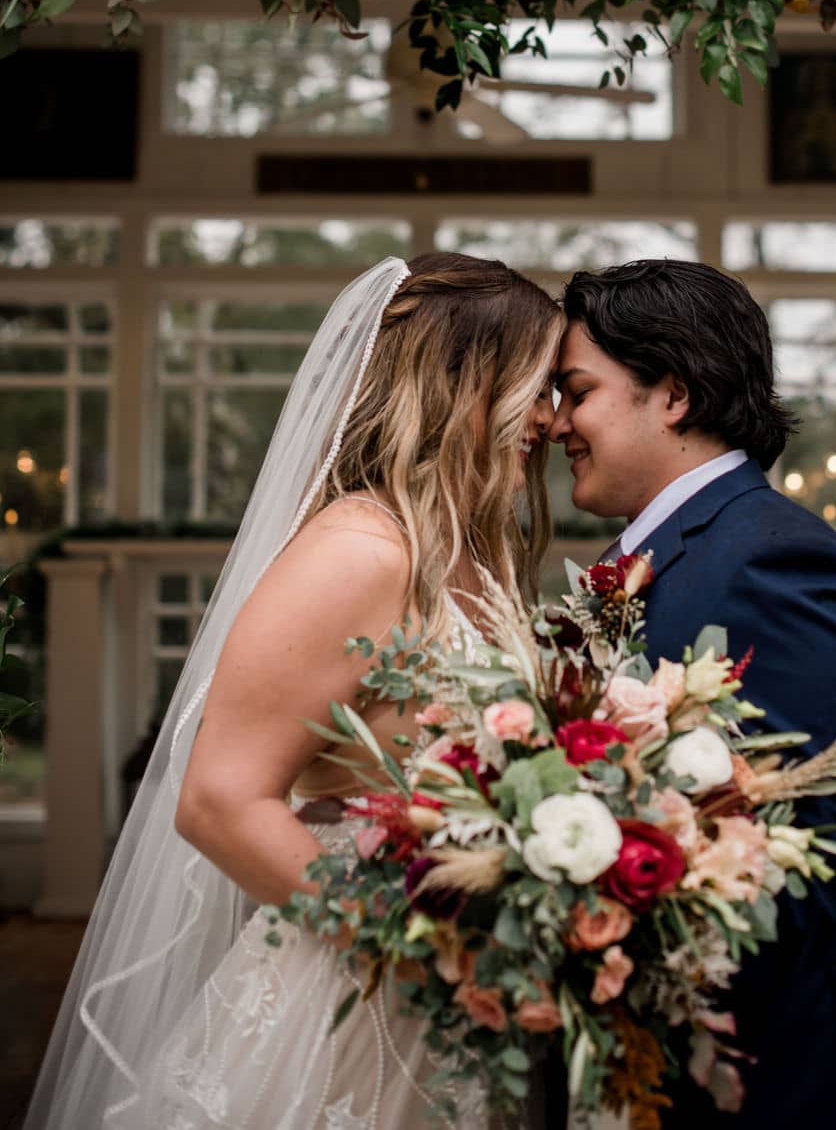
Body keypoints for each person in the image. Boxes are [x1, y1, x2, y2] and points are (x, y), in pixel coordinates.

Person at [27, 252, 562, 1130]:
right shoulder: (359, 550)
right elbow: (218, 800)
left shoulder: (468, 552)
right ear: (463, 382)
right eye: (535, 388)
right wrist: (421, 947)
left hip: (461, 1007)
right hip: (358, 992)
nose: (547, 418)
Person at [549, 258, 836, 1130]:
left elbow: (824, 858)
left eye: (577, 391)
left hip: (765, 1085)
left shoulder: (774, 558)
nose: (557, 423)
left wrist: (602, 950)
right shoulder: (658, 555)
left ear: (672, 393)